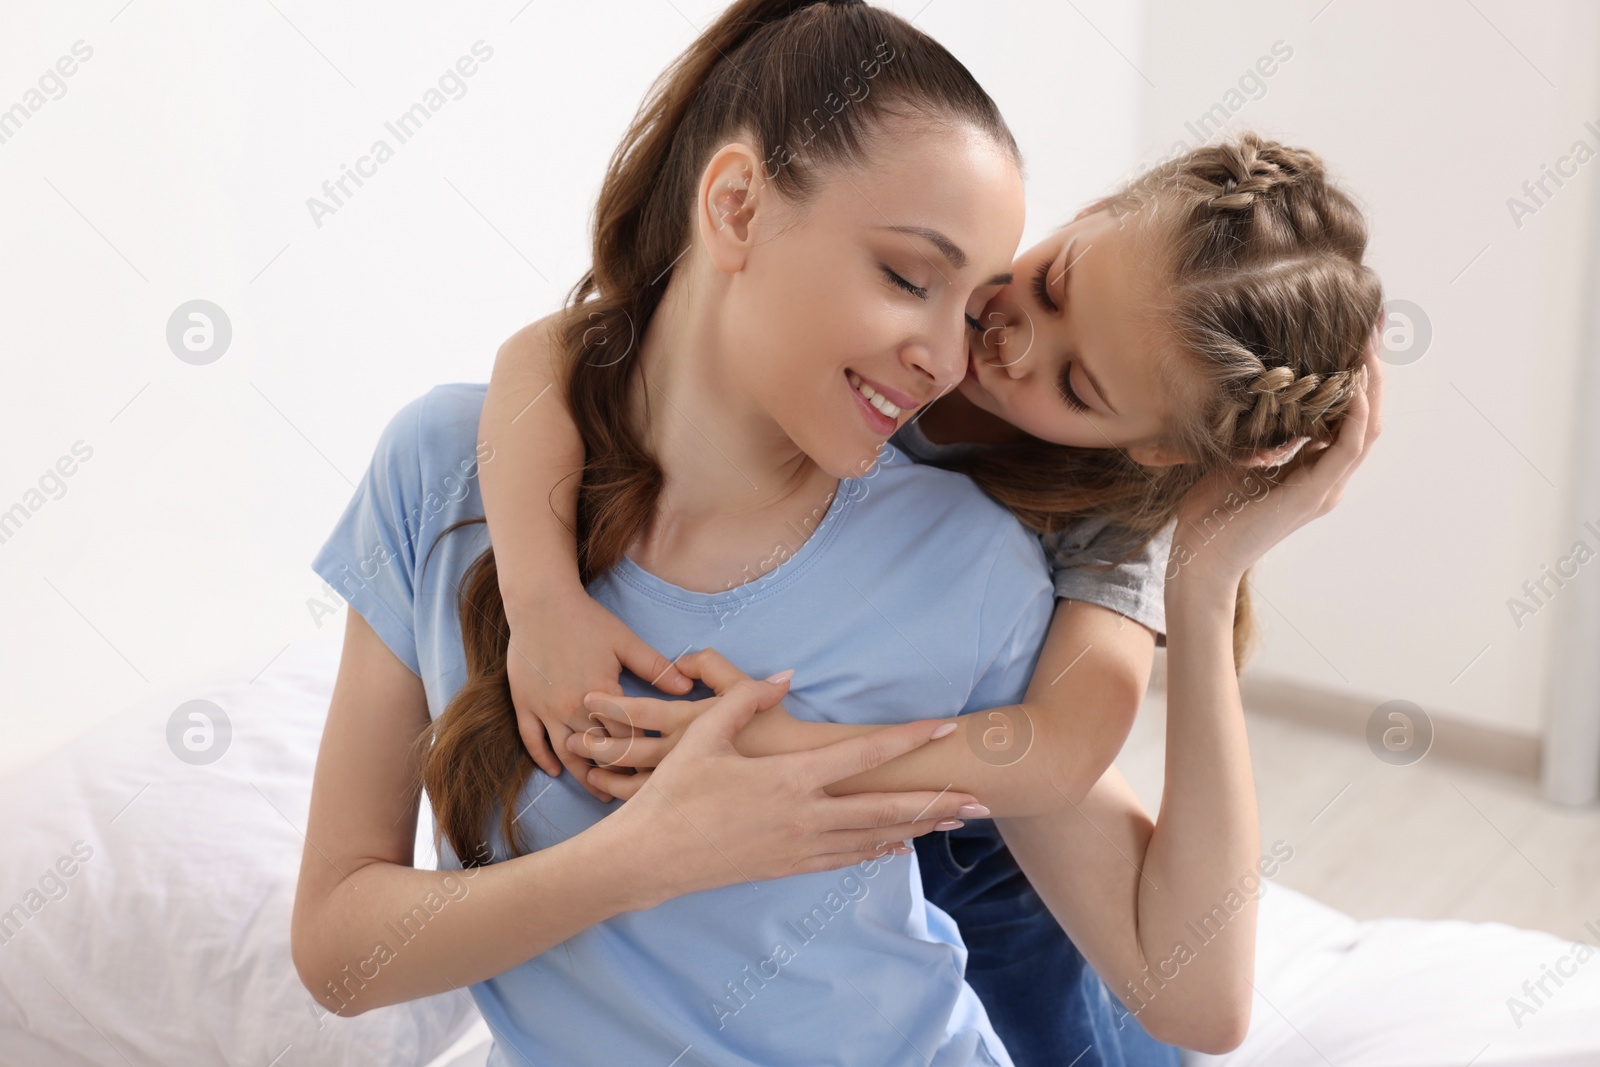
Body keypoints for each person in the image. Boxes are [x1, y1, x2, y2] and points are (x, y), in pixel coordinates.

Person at [292, 1, 1384, 1064]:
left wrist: (756, 757)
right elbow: (561, 346)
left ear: (1143, 442)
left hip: (976, 840)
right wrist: (544, 606)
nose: (975, 350)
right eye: (926, 281)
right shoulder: (477, 455)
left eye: (1077, 381)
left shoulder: (1035, 540)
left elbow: (1061, 766)